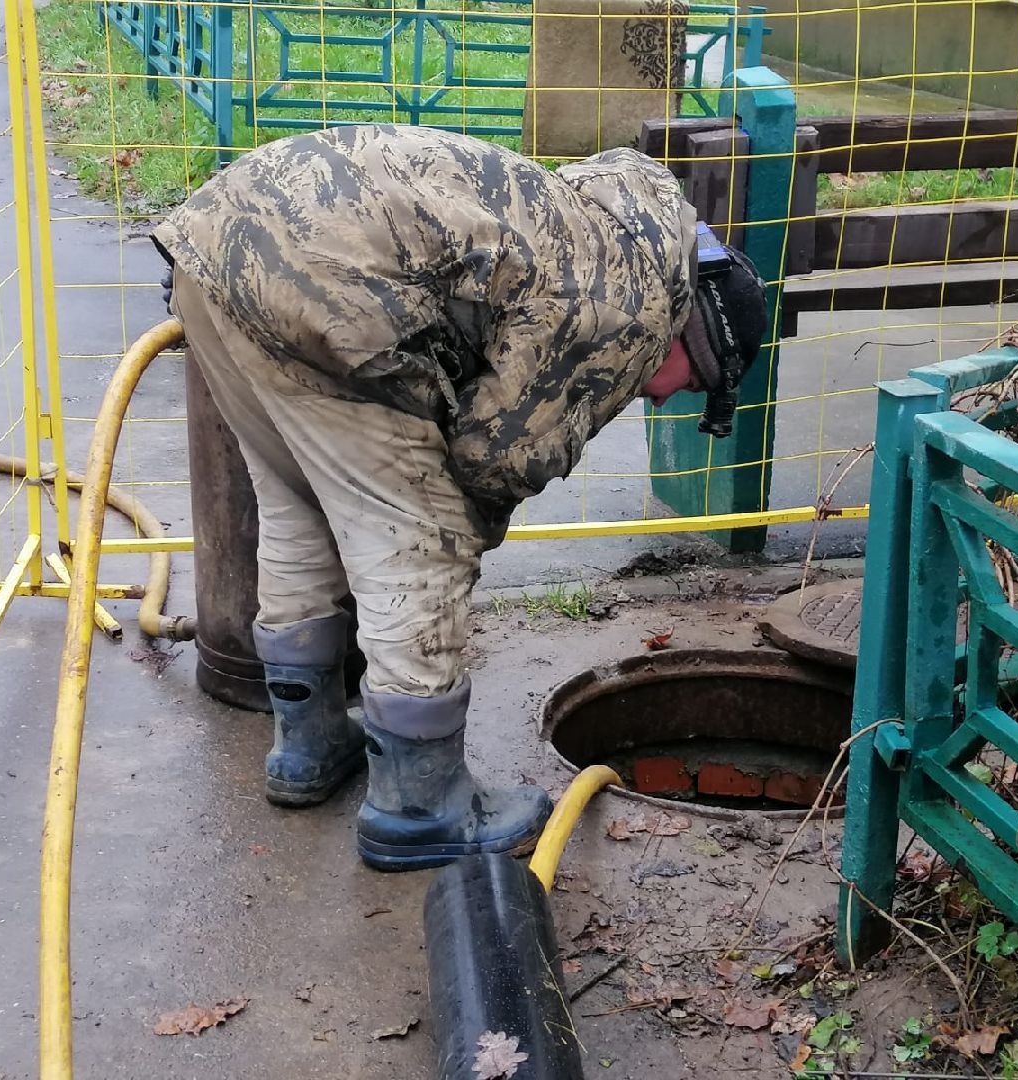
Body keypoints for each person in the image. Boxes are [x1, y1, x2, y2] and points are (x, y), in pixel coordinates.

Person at [153, 123, 765, 872]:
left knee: (299, 507)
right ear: (694, 340)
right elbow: (495, 457)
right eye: (692, 386)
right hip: (330, 292)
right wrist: (456, 531)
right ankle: (419, 809)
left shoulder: (611, 225)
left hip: (220, 241)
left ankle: (307, 746)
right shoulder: (634, 308)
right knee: (420, 544)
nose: (665, 402)